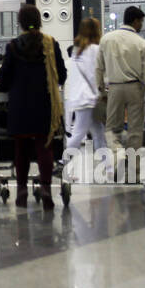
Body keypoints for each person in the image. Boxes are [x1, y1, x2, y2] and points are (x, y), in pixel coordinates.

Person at [0, 4, 68, 209]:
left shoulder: (12, 46)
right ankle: (45, 188)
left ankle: (21, 191)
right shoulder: (50, 44)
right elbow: (61, 75)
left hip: (19, 105)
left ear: (19, 22)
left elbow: (4, 80)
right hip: (44, 103)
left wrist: (3, 83)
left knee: (21, 149)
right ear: (39, 21)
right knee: (44, 147)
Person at [96, 6, 145, 156]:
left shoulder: (106, 39)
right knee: (135, 130)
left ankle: (117, 153)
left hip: (114, 88)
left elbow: (98, 68)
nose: (141, 25)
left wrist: (101, 90)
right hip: (135, 88)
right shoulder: (141, 43)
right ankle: (132, 169)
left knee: (111, 129)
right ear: (135, 21)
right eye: (141, 21)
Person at [61, 17, 106, 172]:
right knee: (80, 132)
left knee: (98, 132)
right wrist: (101, 90)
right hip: (89, 97)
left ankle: (108, 168)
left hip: (79, 97)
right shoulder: (95, 50)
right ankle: (64, 161)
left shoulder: (77, 51)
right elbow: (95, 75)